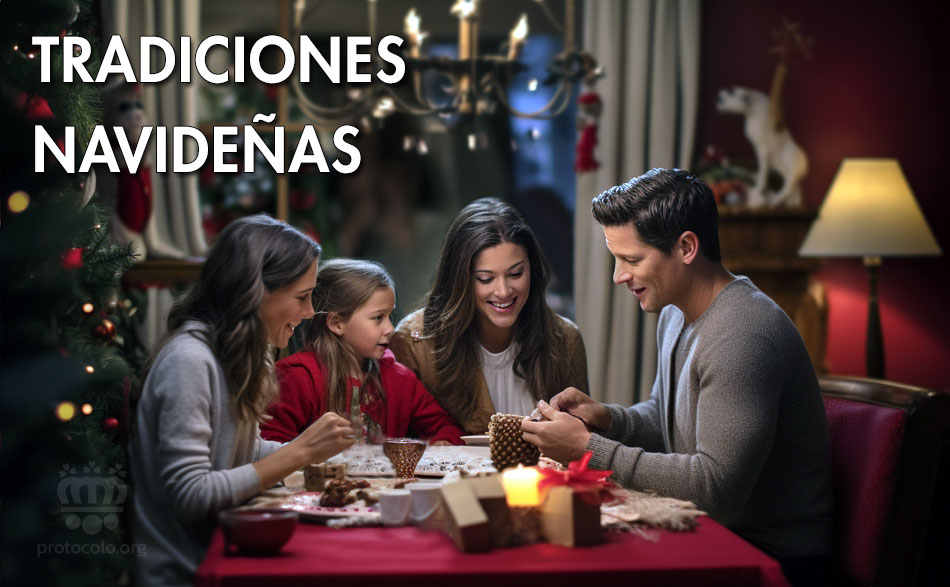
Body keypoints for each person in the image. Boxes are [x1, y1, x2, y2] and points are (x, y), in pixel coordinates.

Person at [521, 169, 832, 583]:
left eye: (631, 259)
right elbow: (667, 421)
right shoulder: (674, 312)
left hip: (772, 558)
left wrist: (585, 448)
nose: (618, 276)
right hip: (720, 532)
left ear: (686, 247)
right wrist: (608, 419)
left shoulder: (743, 333)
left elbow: (716, 491)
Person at [128, 215, 355, 587]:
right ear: (254, 293)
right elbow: (191, 495)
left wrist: (314, 451)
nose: (310, 312)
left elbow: (238, 452)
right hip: (190, 572)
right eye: (302, 296)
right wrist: (298, 452)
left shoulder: (242, 354)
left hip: (228, 549)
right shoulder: (188, 361)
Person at [390, 197, 589, 434]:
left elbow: (582, 444)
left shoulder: (564, 339)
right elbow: (400, 449)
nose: (503, 291)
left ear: (532, 270)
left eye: (515, 274)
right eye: (486, 279)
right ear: (459, 279)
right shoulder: (415, 342)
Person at [261, 258, 464, 445]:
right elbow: (271, 445)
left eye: (389, 316)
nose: (390, 329)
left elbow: (446, 428)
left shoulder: (399, 378)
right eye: (378, 318)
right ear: (337, 323)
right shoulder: (298, 377)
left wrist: (442, 443)